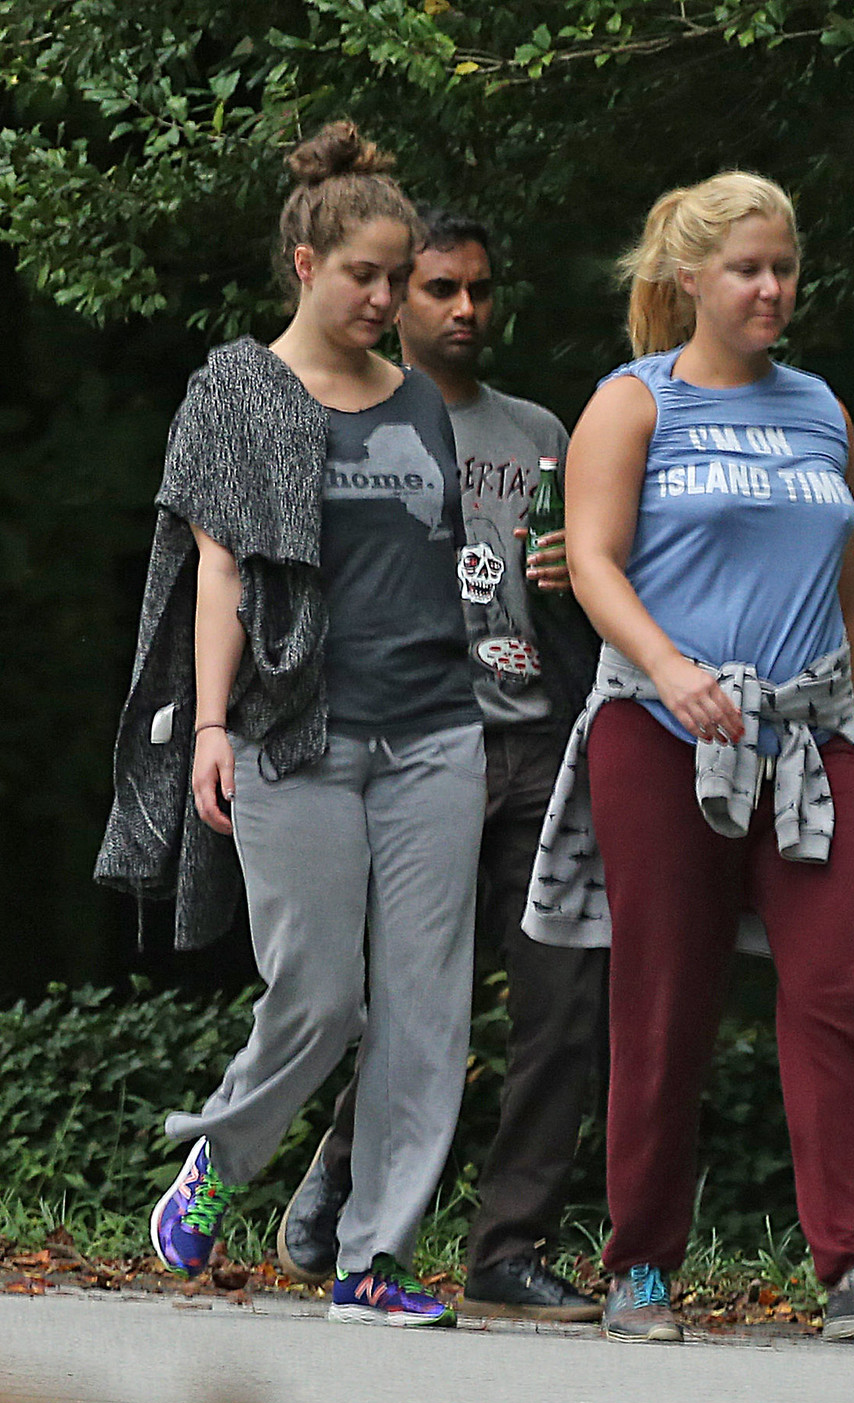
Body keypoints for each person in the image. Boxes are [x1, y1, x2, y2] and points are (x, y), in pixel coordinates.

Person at [522, 172, 854, 1343]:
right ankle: (639, 1266)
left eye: (784, 268)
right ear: (691, 278)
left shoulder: (822, 411)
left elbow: (850, 603)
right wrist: (669, 668)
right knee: (665, 1000)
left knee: (835, 989)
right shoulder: (634, 402)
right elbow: (593, 561)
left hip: (809, 741)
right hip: (662, 733)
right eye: (747, 269)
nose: (771, 288)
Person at [96, 121, 485, 1328]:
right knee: (321, 997)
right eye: (365, 273)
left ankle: (373, 1256)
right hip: (296, 734)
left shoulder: (420, 401)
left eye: (398, 275)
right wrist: (211, 726)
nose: (385, 297)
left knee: (428, 1010)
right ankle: (218, 1159)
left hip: (436, 733)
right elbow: (217, 571)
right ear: (308, 264)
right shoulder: (236, 392)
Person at [275, 208, 604, 1321]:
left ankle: (509, 1244)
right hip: (417, 738)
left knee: (565, 997)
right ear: (392, 298)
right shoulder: (348, 418)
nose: (466, 308)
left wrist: (576, 570)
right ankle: (345, 1176)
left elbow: (599, 580)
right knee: (417, 995)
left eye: (480, 289)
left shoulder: (540, 430)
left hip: (539, 738)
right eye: (440, 288)